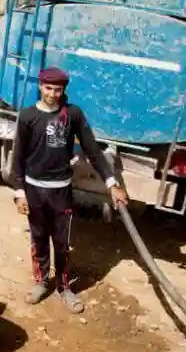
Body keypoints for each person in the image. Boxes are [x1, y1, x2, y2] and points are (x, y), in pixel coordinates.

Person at [12, 66, 128, 314]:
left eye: (58, 89)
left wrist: (112, 183)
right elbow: (18, 159)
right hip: (34, 190)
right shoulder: (27, 116)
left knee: (62, 243)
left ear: (64, 89)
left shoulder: (72, 115)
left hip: (61, 191)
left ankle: (64, 288)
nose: (53, 94)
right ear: (40, 87)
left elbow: (93, 150)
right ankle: (41, 282)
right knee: (39, 239)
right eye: (48, 88)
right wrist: (19, 193)